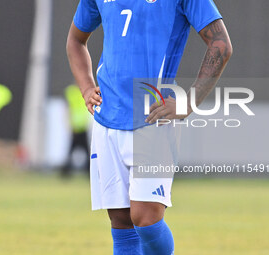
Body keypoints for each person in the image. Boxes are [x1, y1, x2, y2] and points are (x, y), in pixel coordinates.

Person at [66, 0, 232, 254]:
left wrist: (189, 102)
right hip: (107, 119)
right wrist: (87, 87)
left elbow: (220, 44)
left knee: (146, 220)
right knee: (121, 224)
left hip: (153, 118)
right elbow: (76, 40)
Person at [61, 84, 90, 177]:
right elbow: (67, 109)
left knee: (79, 150)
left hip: (81, 126)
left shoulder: (73, 92)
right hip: (76, 127)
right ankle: (67, 171)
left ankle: (67, 171)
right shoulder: (74, 92)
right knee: (78, 150)